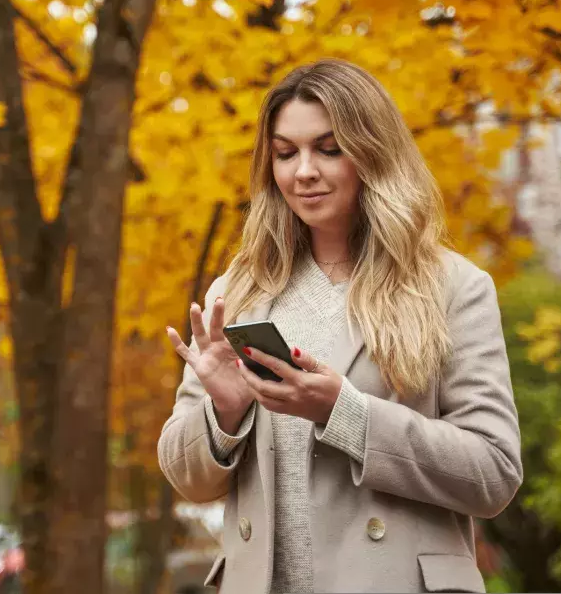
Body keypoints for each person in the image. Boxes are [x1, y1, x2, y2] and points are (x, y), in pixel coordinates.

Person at [158, 59, 522, 593]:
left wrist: (345, 414)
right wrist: (225, 410)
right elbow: (185, 476)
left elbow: (492, 473)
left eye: (329, 149)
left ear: (373, 151)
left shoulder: (451, 288)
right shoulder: (238, 292)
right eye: (285, 153)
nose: (303, 171)